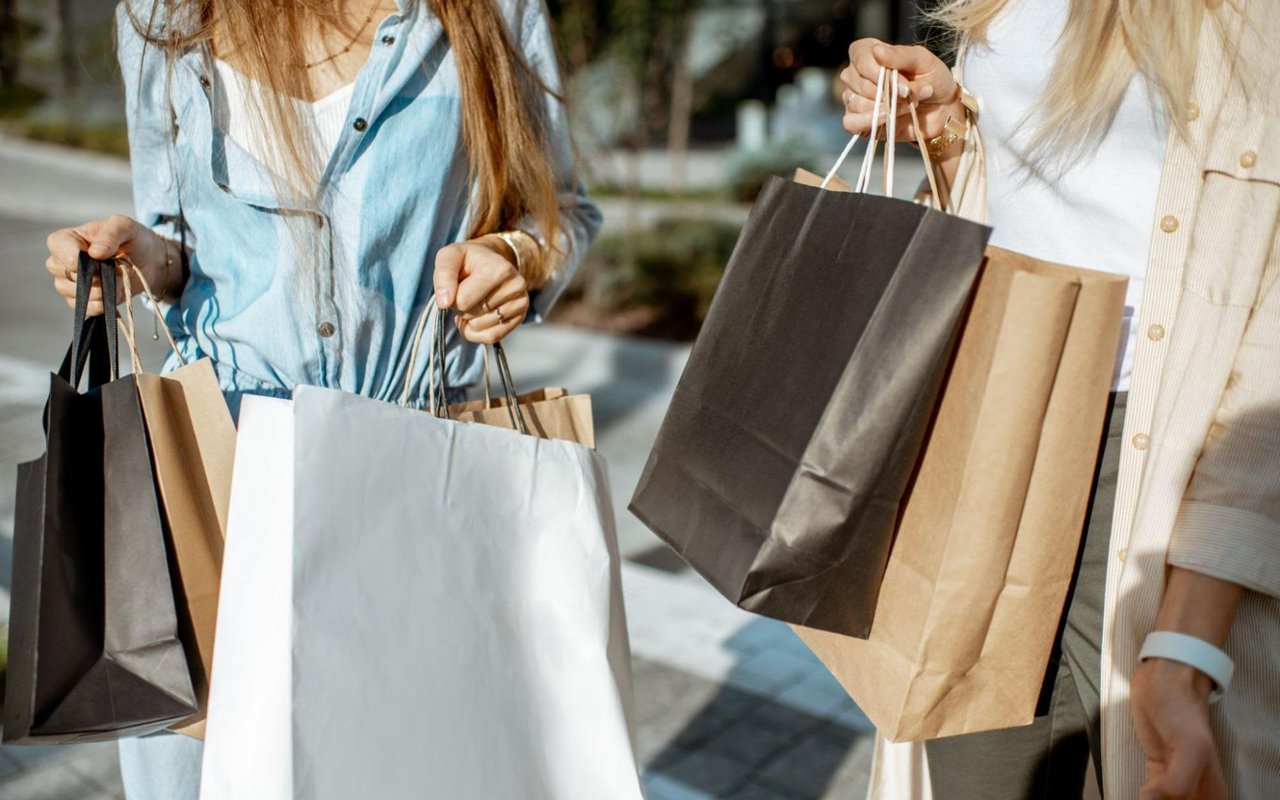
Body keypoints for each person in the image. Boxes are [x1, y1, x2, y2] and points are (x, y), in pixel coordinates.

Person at [40, 0, 600, 796]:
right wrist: (139, 256)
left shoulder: (493, 10)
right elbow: (176, 246)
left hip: (417, 480)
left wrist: (515, 257)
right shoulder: (162, 14)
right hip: (219, 485)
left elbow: (561, 214)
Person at [841, 0, 1280, 798]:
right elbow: (1036, 196)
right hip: (987, 423)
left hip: (1153, 467)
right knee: (977, 778)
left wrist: (1188, 645)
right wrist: (946, 126)